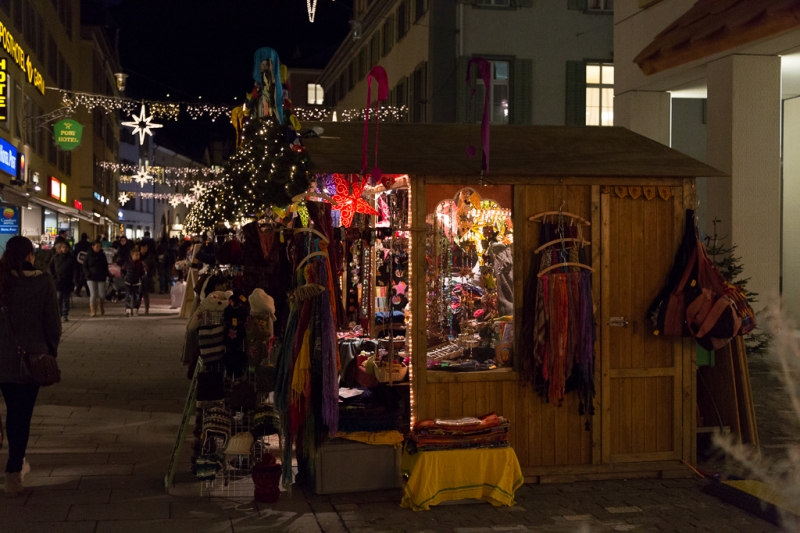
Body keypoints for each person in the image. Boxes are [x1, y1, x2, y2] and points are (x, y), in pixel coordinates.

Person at [0, 236, 61, 497]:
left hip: (2, 359)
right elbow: (53, 325)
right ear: (29, 256)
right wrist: (50, 351)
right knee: (20, 417)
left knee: (9, 414)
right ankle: (14, 473)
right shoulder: (43, 282)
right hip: (31, 360)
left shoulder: (2, 279)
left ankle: (15, 468)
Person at [47, 242, 76, 322]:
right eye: (63, 247)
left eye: (66, 247)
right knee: (59, 298)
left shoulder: (72, 258)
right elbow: (50, 266)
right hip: (58, 280)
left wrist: (75, 280)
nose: (64, 249)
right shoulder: (56, 257)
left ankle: (65, 314)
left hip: (68, 281)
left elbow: (75, 270)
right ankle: (59, 314)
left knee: (66, 299)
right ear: (60, 248)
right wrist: (52, 274)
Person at [83, 241, 109, 317]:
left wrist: (106, 274)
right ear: (93, 247)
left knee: (102, 295)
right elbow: (84, 266)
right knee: (93, 294)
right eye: (97, 246)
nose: (98, 248)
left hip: (101, 277)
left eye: (99, 246)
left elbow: (105, 265)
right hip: (91, 277)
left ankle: (101, 306)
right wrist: (87, 274)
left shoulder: (102, 255)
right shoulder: (88, 255)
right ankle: (93, 310)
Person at [122, 248, 145, 317]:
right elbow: (122, 270)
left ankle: (135, 309)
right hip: (128, 282)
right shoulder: (127, 263)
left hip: (136, 283)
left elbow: (144, 273)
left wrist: (141, 277)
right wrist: (124, 277)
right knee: (128, 296)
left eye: (139, 255)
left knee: (137, 297)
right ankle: (128, 310)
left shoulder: (140, 264)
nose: (138, 256)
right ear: (132, 255)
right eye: (136, 255)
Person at [139, 242, 157, 315]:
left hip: (147, 278)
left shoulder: (150, 256)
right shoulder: (137, 256)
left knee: (145, 293)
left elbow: (154, 267)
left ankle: (147, 309)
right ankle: (136, 308)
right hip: (138, 277)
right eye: (143, 247)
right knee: (138, 293)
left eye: (146, 247)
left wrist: (150, 274)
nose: (144, 249)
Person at [72, 233, 91, 297]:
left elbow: (74, 254)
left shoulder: (77, 245)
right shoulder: (89, 245)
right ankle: (87, 291)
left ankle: (79, 290)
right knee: (84, 277)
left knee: (83, 276)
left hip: (78, 262)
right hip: (87, 262)